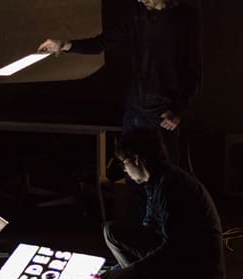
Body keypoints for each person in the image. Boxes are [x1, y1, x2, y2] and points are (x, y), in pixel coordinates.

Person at [38, 0, 202, 171]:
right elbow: (101, 43)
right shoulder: (137, 14)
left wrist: (178, 110)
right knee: (133, 179)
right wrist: (65, 45)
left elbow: (194, 72)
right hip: (134, 112)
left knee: (162, 180)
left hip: (163, 117)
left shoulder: (186, 17)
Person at [85, 127, 224, 279]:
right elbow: (150, 233)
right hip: (181, 258)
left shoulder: (171, 186)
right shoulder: (157, 181)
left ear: (136, 159)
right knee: (112, 231)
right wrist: (112, 274)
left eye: (124, 163)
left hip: (196, 269)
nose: (124, 169)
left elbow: (174, 248)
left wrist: (127, 273)